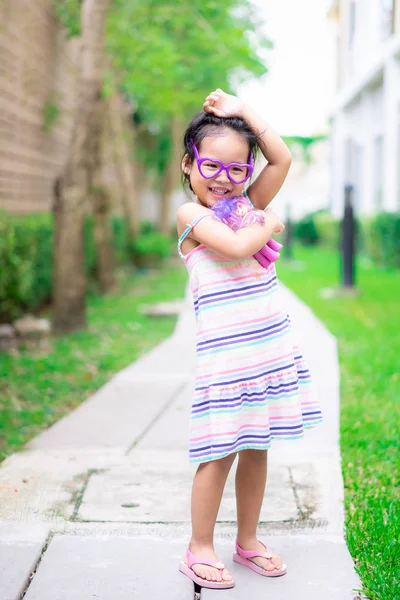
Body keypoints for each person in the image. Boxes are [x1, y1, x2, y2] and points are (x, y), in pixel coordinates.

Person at [176, 88, 324, 590]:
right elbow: (240, 246)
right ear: (188, 164)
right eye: (211, 166)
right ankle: (198, 547)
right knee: (218, 454)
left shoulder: (245, 205)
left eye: (237, 170)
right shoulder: (190, 216)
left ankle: (248, 540)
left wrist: (243, 112)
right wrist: (271, 222)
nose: (224, 179)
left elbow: (281, 158)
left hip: (268, 355)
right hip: (226, 361)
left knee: (258, 449)